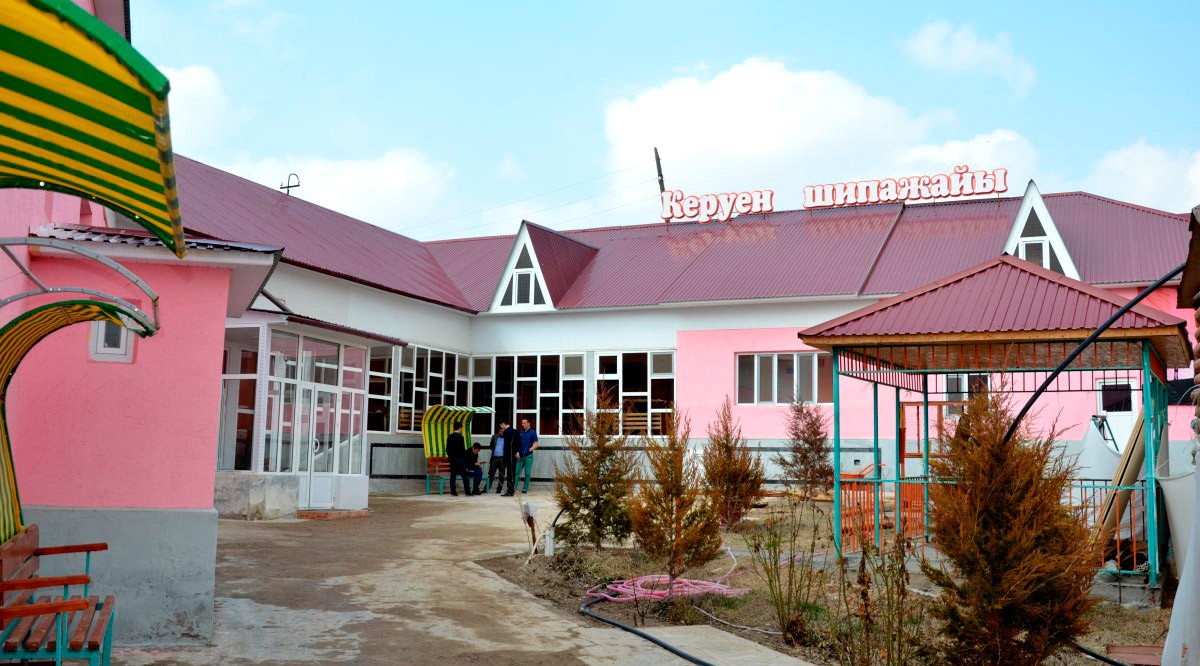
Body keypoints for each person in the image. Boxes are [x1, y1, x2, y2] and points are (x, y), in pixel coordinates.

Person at [446, 422, 472, 496]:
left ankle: (453, 492)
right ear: (460, 428)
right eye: (461, 428)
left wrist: (451, 457)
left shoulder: (449, 437)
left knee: (453, 476)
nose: (461, 429)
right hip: (461, 459)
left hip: (453, 460)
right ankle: (467, 492)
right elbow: (462, 449)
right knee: (464, 476)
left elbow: (447, 449)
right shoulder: (461, 437)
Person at [513, 417, 538, 494]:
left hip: (528, 457)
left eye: (524, 423)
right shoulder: (521, 432)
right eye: (522, 423)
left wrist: (529, 449)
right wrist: (517, 452)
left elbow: (536, 444)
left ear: (528, 423)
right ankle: (513, 488)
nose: (522, 424)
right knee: (516, 473)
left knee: (527, 473)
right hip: (520, 456)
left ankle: (525, 488)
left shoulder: (533, 433)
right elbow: (518, 443)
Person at [487, 423, 509, 494]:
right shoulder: (494, 437)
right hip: (494, 458)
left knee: (501, 475)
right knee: (491, 473)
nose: (501, 433)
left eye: (502, 431)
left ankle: (499, 489)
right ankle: (487, 488)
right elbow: (491, 446)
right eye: (500, 431)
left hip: (502, 459)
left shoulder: (507, 438)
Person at [501, 421, 518, 496]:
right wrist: (517, 451)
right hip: (513, 455)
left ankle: (510, 491)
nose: (501, 428)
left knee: (510, 473)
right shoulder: (515, 431)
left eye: (501, 425)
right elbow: (518, 442)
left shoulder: (507, 432)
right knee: (512, 473)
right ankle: (511, 490)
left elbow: (507, 445)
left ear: (503, 424)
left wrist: (505, 456)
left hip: (509, 455)